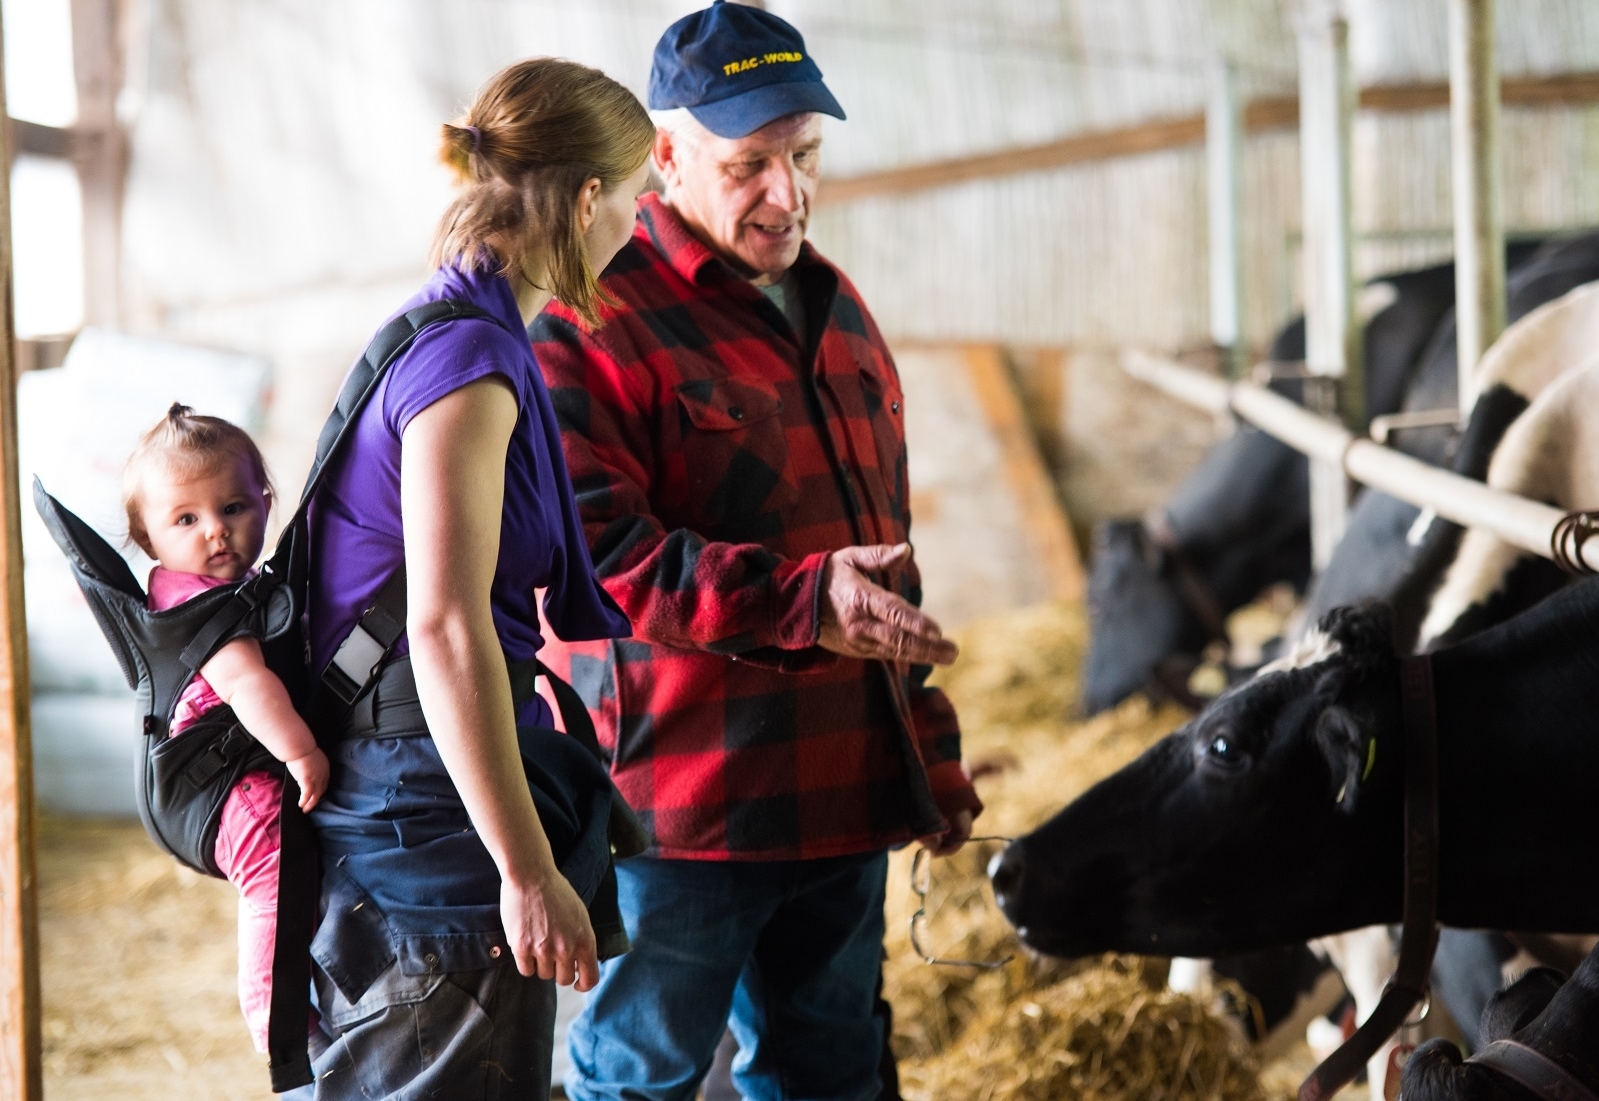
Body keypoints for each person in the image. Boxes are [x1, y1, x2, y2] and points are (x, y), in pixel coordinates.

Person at [530, 4, 983, 1098]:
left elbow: (886, 557)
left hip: (844, 785)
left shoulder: (842, 310)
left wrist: (928, 744)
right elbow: (597, 559)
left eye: (804, 158)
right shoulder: (591, 323)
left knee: (832, 1063)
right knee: (643, 1072)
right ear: (667, 156)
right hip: (681, 806)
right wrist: (801, 603)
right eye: (749, 166)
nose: (788, 194)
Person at [299, 58, 652, 1099]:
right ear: (590, 199)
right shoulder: (468, 367)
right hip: (427, 817)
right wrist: (528, 874)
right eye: (635, 199)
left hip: (420, 792)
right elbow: (445, 629)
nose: (636, 227)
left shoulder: (463, 331)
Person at [124, 403, 331, 1055]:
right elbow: (247, 683)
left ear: (266, 502)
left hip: (218, 772)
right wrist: (302, 751)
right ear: (146, 535)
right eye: (186, 519)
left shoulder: (195, 584)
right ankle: (277, 1016)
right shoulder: (197, 605)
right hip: (230, 785)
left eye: (234, 506)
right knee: (274, 862)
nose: (216, 531)